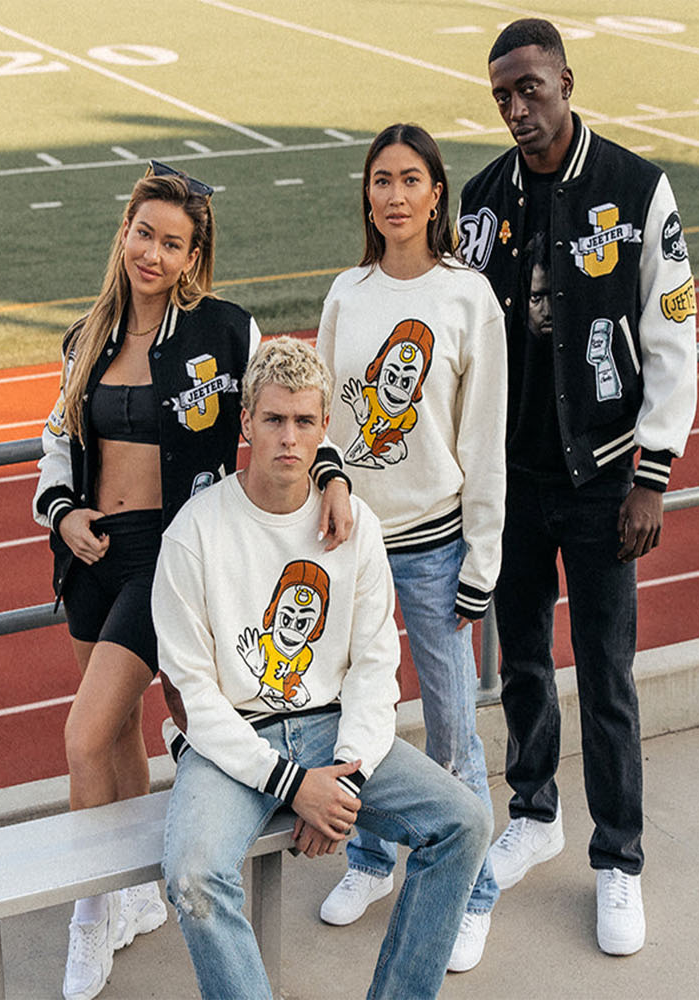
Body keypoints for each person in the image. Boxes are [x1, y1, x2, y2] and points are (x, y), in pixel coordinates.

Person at [32, 163, 352, 1000]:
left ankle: (90, 913)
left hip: (169, 559)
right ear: (125, 234)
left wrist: (331, 475)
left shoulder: (224, 329)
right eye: (144, 233)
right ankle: (136, 897)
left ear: (192, 255)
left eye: (172, 243)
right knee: (115, 737)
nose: (153, 253)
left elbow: (292, 396)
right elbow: (57, 444)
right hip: (91, 558)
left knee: (81, 733)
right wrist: (62, 512)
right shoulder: (86, 338)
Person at [455, 19, 698, 957]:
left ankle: (620, 858)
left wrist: (653, 477)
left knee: (604, 671)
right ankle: (535, 807)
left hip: (605, 480)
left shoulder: (637, 189)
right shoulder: (479, 203)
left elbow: (672, 336)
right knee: (520, 658)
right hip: (512, 480)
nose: (519, 109)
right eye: (503, 97)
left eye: (531, 88)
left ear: (566, 79)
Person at [155, 336, 491, 1000]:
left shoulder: (355, 527)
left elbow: (375, 666)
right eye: (274, 419)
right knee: (194, 875)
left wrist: (343, 778)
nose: (289, 436)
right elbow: (192, 698)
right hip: (232, 744)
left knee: (467, 823)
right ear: (246, 421)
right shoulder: (194, 533)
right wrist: (292, 784)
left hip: (331, 728)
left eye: (304, 421)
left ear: (324, 427)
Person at [312, 123, 507, 972]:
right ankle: (368, 858)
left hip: (434, 550)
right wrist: (328, 485)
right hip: (355, 548)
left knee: (453, 729)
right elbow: (319, 418)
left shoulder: (469, 298)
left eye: (411, 180)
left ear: (438, 194)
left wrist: (482, 561)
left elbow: (486, 437)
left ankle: (473, 891)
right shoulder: (346, 293)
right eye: (380, 180)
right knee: (357, 717)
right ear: (368, 194)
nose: (394, 195)